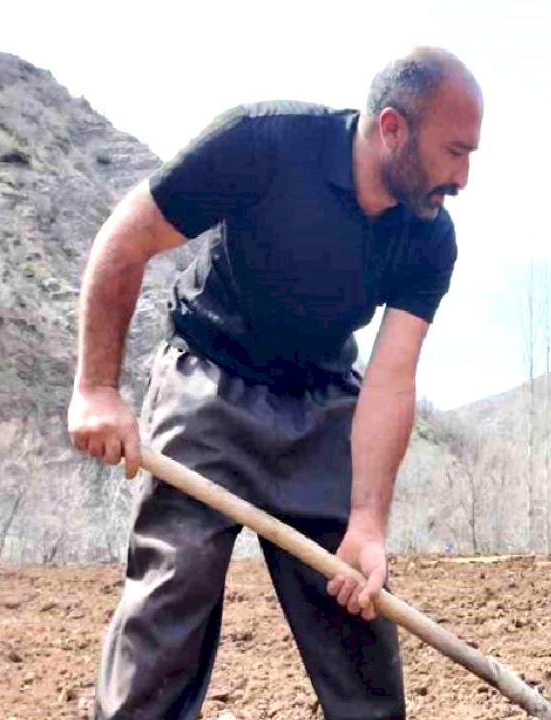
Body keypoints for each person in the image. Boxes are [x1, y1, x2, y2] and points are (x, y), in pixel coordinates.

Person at [67, 47, 482, 719]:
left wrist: (367, 523)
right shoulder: (261, 143)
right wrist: (96, 389)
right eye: (455, 152)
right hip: (209, 387)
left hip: (321, 408)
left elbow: (390, 379)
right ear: (393, 129)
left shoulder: (430, 238)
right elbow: (125, 240)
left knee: (356, 605)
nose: (463, 177)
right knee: (173, 594)